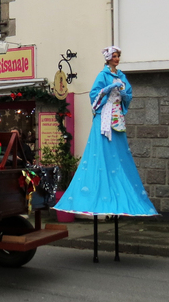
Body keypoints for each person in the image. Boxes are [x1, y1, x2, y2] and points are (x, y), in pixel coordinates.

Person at [55, 46, 158, 217]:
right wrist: (107, 89)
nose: (117, 59)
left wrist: (124, 93)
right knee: (101, 149)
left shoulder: (122, 76)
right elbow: (94, 95)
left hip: (117, 116)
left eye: (118, 56)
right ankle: (99, 190)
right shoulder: (103, 75)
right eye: (115, 56)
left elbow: (129, 95)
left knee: (119, 150)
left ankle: (118, 187)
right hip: (105, 116)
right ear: (109, 58)